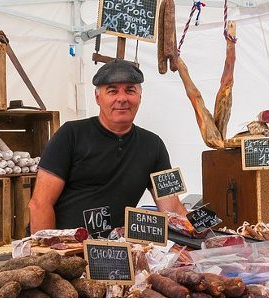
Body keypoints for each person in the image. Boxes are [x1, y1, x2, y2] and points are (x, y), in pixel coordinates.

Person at [29, 59, 187, 236]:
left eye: (130, 90)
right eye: (112, 91)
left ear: (140, 97)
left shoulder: (154, 144)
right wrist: (47, 254)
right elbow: (40, 204)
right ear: (98, 98)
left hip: (116, 252)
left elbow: (173, 209)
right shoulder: (70, 134)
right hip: (68, 251)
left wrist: (205, 236)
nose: (122, 98)